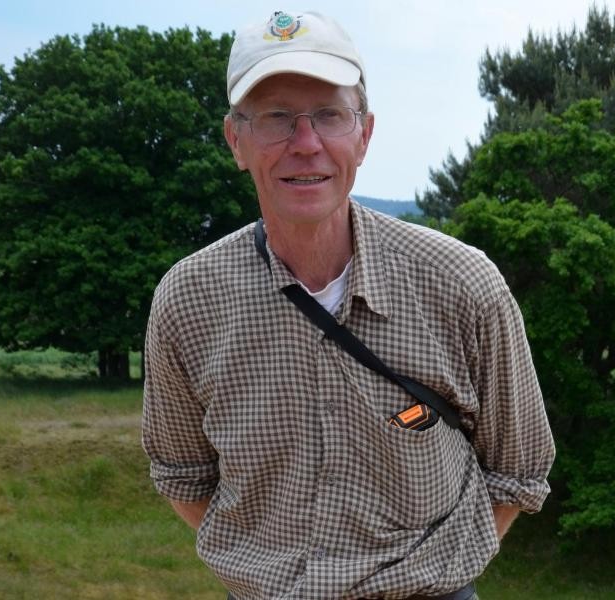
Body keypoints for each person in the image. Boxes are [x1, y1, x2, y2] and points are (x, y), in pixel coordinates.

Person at [142, 10, 555, 600]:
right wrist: (270, 568)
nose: (305, 144)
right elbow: (183, 475)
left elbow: (518, 471)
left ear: (364, 134)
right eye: (276, 118)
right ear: (237, 141)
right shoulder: (188, 301)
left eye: (330, 115)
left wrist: (429, 574)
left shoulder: (464, 285)